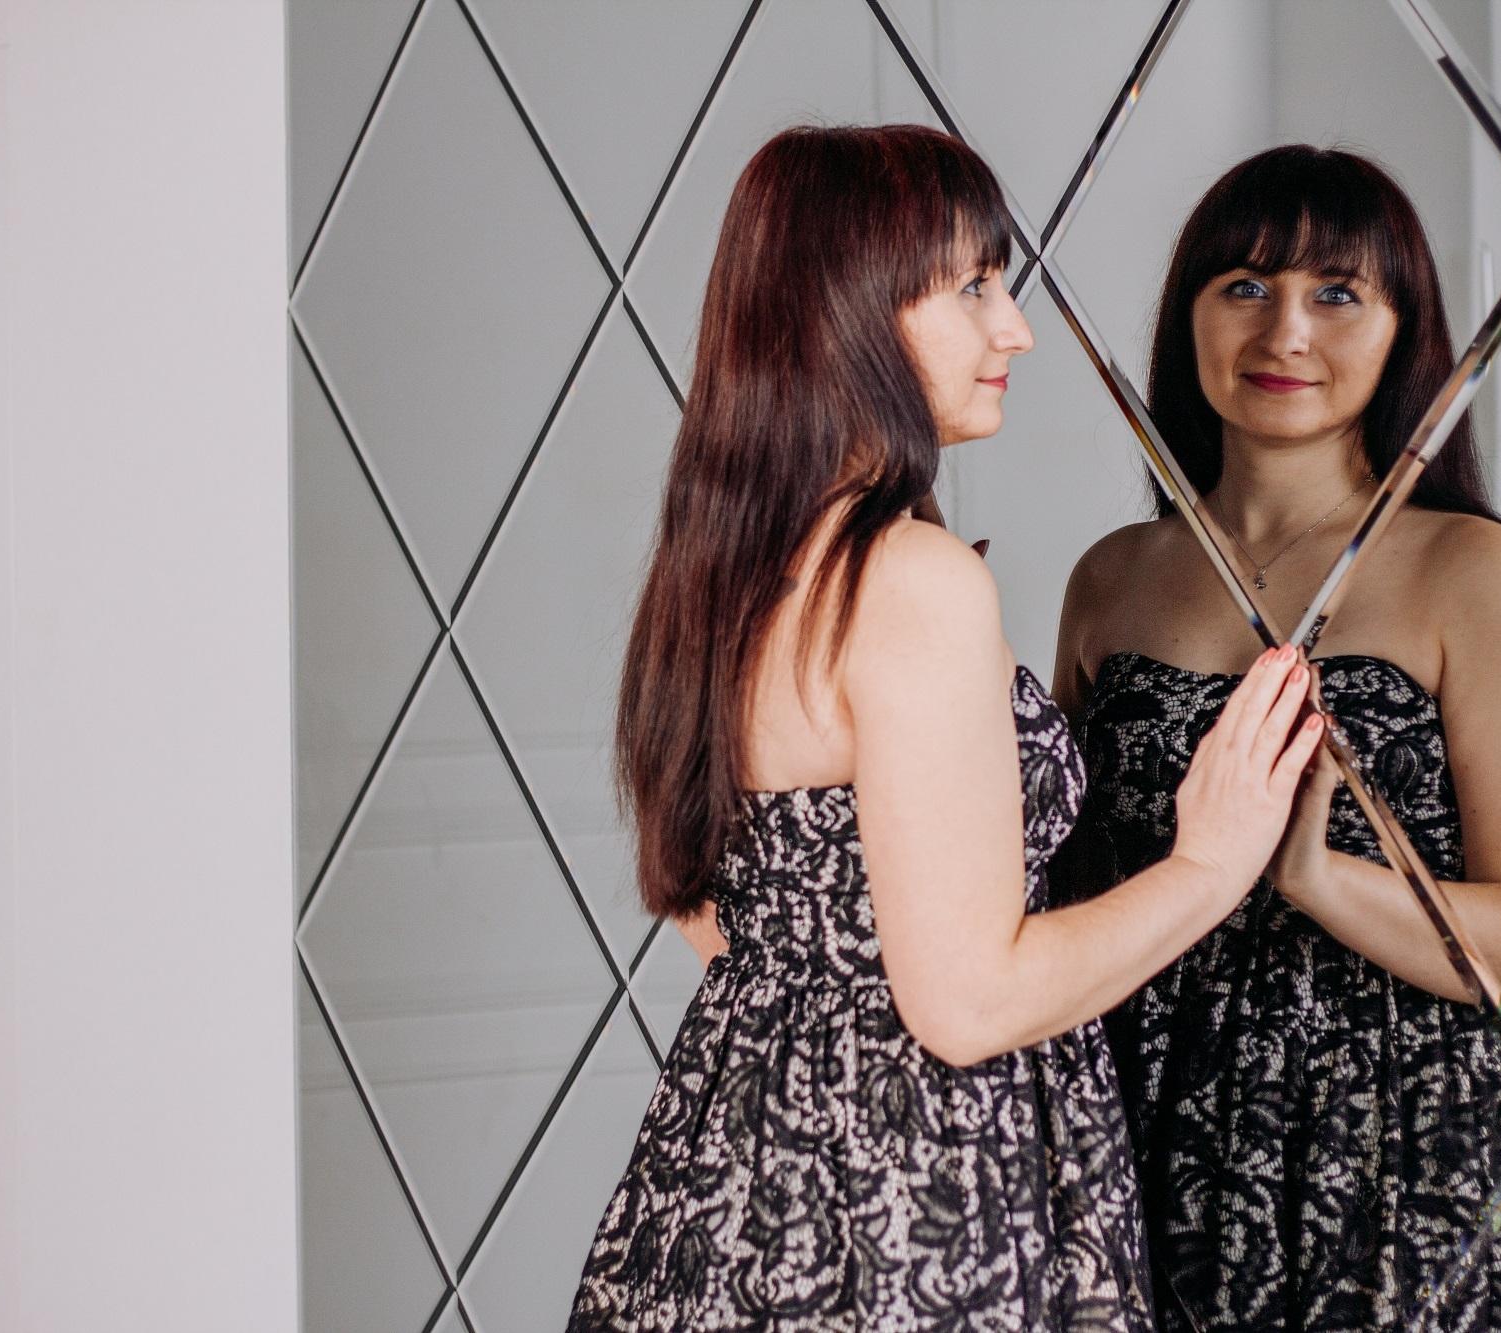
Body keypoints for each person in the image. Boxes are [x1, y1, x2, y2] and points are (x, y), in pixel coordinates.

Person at [564, 124, 1324, 1332]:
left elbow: (719, 917)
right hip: (913, 1199)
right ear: (844, 312)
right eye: (971, 287)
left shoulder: (724, 566)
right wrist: (1209, 865)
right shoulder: (908, 579)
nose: (1013, 329)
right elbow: (965, 1006)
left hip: (733, 1175)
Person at [1050, 145, 1501, 1331]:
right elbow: (1067, 885)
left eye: (1336, 293)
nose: (1284, 331)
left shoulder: (1473, 569)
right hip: (1144, 1121)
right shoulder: (1110, 576)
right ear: (1185, 316)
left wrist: (1316, 876)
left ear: (1402, 330)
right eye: (1244, 285)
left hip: (1401, 1151)